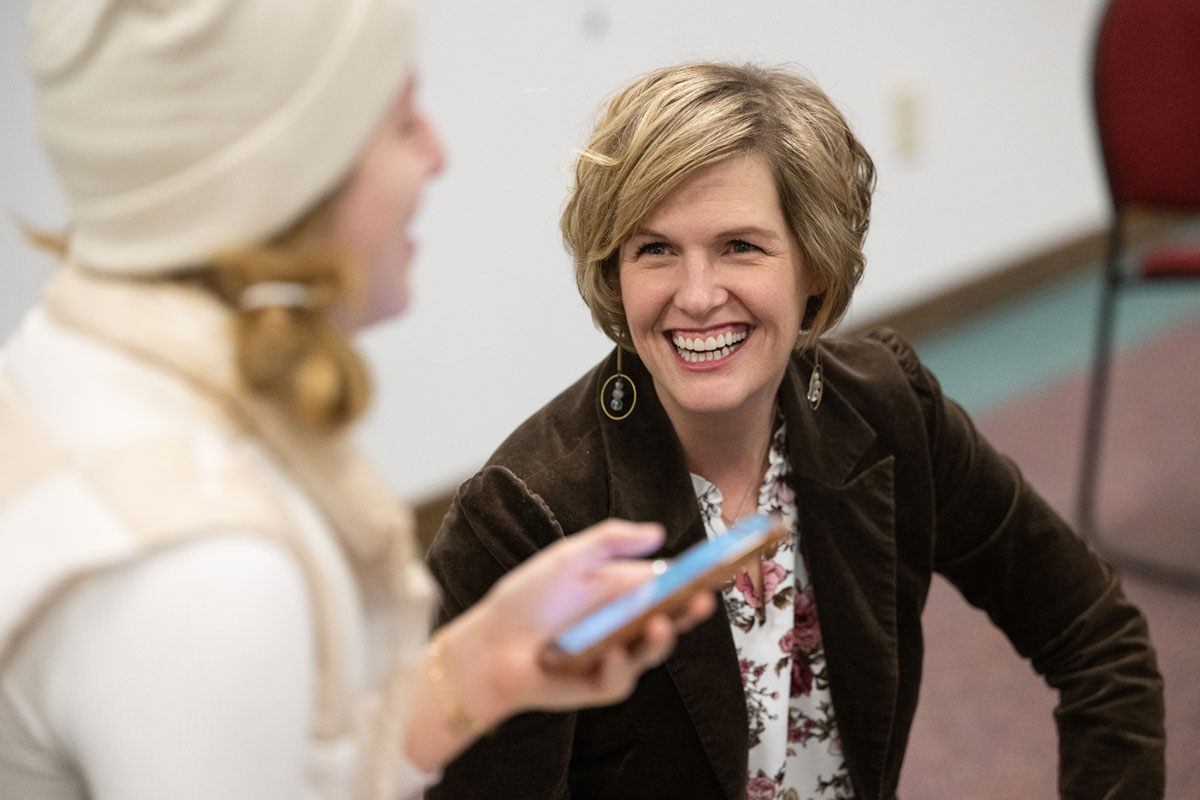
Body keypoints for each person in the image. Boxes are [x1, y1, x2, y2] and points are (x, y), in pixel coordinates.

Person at [0, 3, 715, 798]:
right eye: (403, 120)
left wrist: (474, 668)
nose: (437, 154)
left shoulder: (69, 358)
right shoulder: (203, 570)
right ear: (294, 171)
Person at [425, 62, 1166, 799]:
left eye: (739, 246)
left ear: (814, 263)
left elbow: (1098, 639)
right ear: (613, 272)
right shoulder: (525, 515)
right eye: (654, 250)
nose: (697, 295)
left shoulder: (886, 407)